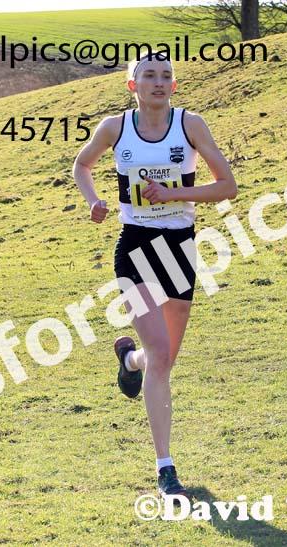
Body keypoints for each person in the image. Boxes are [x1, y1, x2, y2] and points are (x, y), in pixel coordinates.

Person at [72, 51, 236, 499]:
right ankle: (166, 469)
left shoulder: (190, 125)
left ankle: (130, 362)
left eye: (166, 76)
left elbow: (228, 186)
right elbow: (82, 165)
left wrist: (174, 193)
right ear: (133, 85)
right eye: (149, 75)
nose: (159, 82)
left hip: (180, 248)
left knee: (162, 360)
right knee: (161, 354)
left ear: (174, 86)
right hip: (135, 247)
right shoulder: (114, 128)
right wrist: (93, 201)